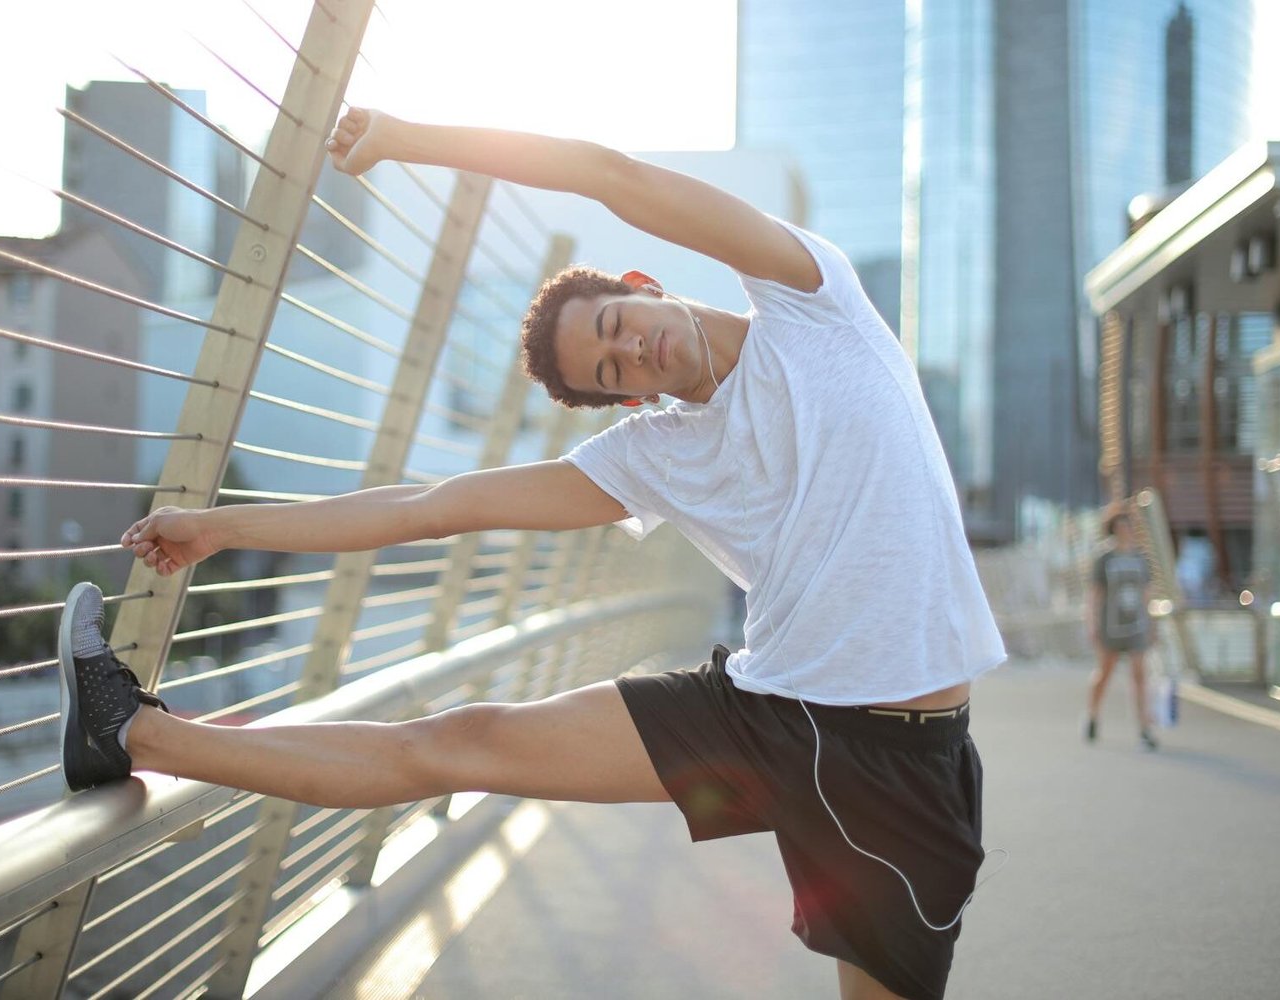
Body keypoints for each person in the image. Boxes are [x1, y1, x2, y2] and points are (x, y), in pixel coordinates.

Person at [58, 108, 1007, 1000]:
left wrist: (408, 139)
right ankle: (134, 733)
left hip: (904, 756)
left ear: (641, 287)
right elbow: (433, 507)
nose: (632, 353)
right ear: (627, 403)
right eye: (612, 374)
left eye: (613, 329)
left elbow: (608, 174)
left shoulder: (815, 302)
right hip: (768, 711)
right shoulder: (654, 454)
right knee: (456, 743)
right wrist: (225, 527)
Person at [1084, 507, 1158, 751]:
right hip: (1111, 625)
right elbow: (1095, 595)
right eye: (1120, 527)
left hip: (1135, 623)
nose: (1125, 531)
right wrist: (1092, 624)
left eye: (1128, 526)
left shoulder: (1140, 558)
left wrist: (1152, 623)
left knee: (1139, 674)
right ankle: (1093, 715)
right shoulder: (1105, 559)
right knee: (1105, 672)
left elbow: (1147, 594)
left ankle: (1144, 727)